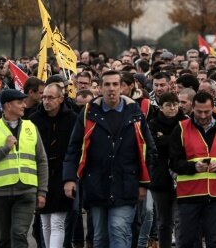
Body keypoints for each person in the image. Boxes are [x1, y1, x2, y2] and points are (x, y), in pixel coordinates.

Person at [63, 70, 155, 248]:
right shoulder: (88, 113)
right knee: (100, 237)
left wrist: (144, 183)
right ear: (100, 88)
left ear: (122, 87)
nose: (111, 89)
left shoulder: (135, 114)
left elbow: (149, 150)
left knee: (118, 230)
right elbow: (74, 148)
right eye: (107, 84)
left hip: (126, 184)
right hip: (96, 184)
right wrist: (69, 179)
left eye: (115, 84)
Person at [0, 88, 49, 248]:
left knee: (19, 234)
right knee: (3, 239)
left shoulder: (31, 127)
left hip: (26, 192)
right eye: (19, 102)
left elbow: (42, 161)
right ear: (8, 105)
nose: (24, 105)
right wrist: (4, 148)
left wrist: (42, 191)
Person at [168, 91, 216, 248]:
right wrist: (193, 167)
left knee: (215, 242)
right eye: (199, 112)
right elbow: (173, 162)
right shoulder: (181, 128)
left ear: (213, 107)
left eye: (207, 111)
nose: (203, 115)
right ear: (192, 108)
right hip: (189, 196)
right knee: (188, 241)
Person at [30, 83, 77, 248]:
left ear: (61, 98)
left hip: (62, 175)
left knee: (57, 221)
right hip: (41, 175)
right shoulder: (34, 119)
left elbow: (75, 148)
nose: (46, 101)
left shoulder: (72, 119)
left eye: (50, 97)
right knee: (45, 221)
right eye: (44, 97)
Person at [147, 92, 186, 248]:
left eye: (175, 104)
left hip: (181, 175)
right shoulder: (153, 123)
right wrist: (173, 140)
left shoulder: (185, 122)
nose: (173, 108)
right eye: (168, 105)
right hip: (160, 177)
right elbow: (153, 145)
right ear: (161, 107)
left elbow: (186, 145)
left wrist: (165, 138)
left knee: (180, 219)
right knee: (164, 221)